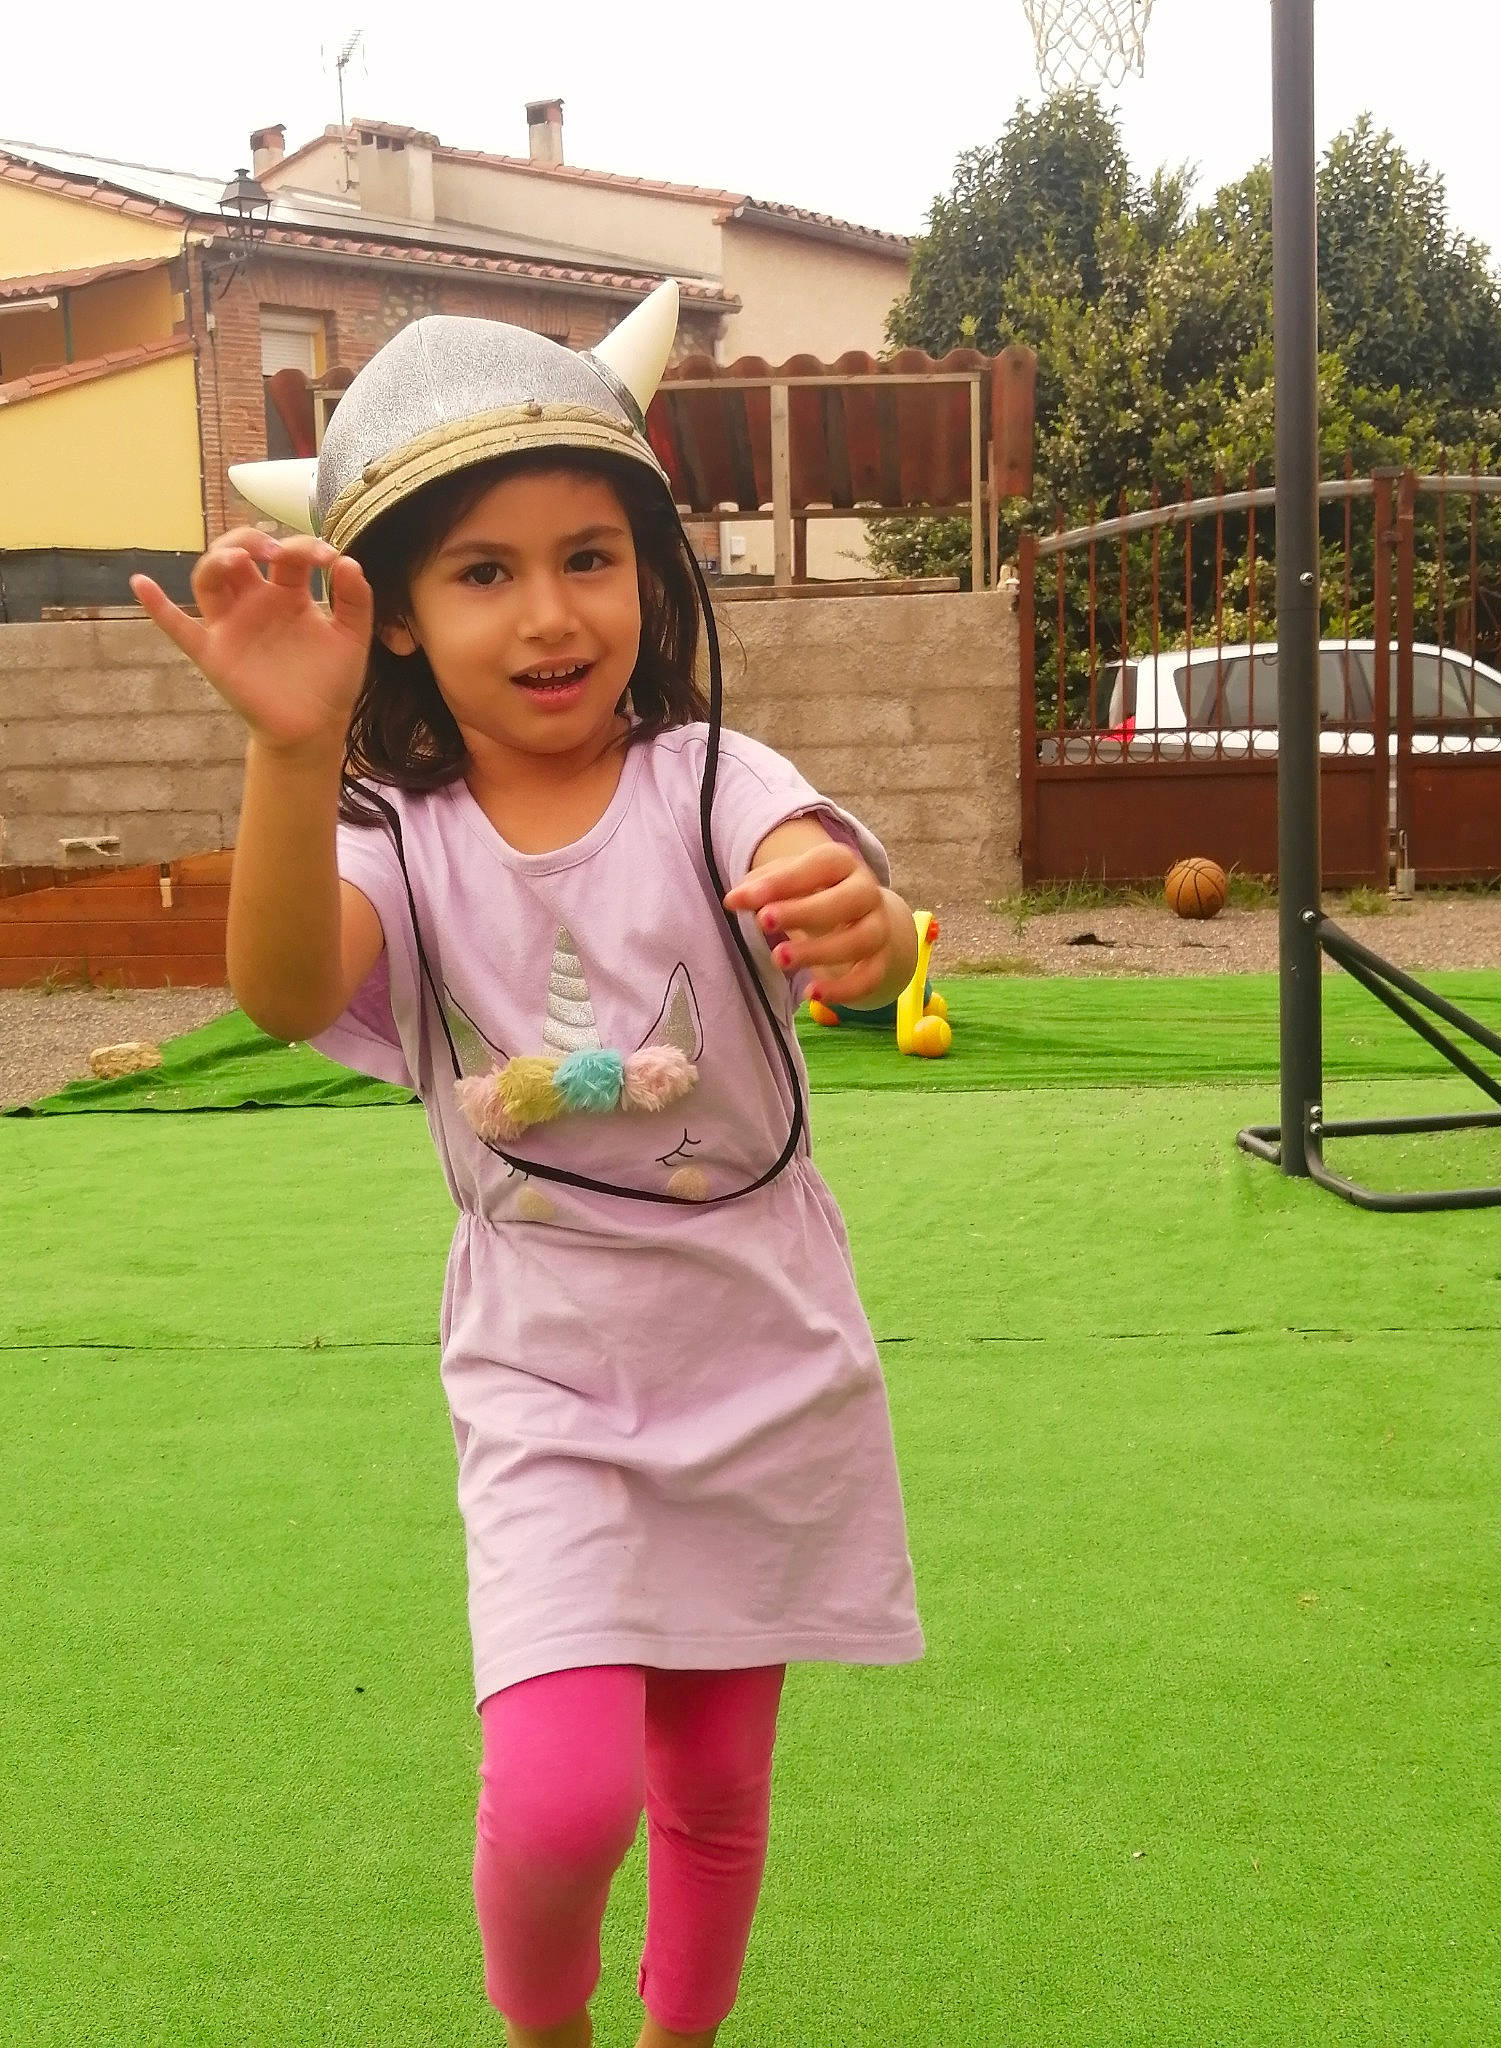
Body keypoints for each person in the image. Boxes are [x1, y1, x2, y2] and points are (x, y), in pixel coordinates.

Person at [130, 282, 924, 2048]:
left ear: (651, 570)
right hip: (551, 1372)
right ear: (395, 617)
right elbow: (276, 991)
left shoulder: (712, 772)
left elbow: (813, 864)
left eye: (592, 554)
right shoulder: (389, 835)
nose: (553, 614)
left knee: (715, 1779)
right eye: (482, 572)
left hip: (761, 1349)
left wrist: (856, 919)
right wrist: (286, 745)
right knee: (569, 1798)